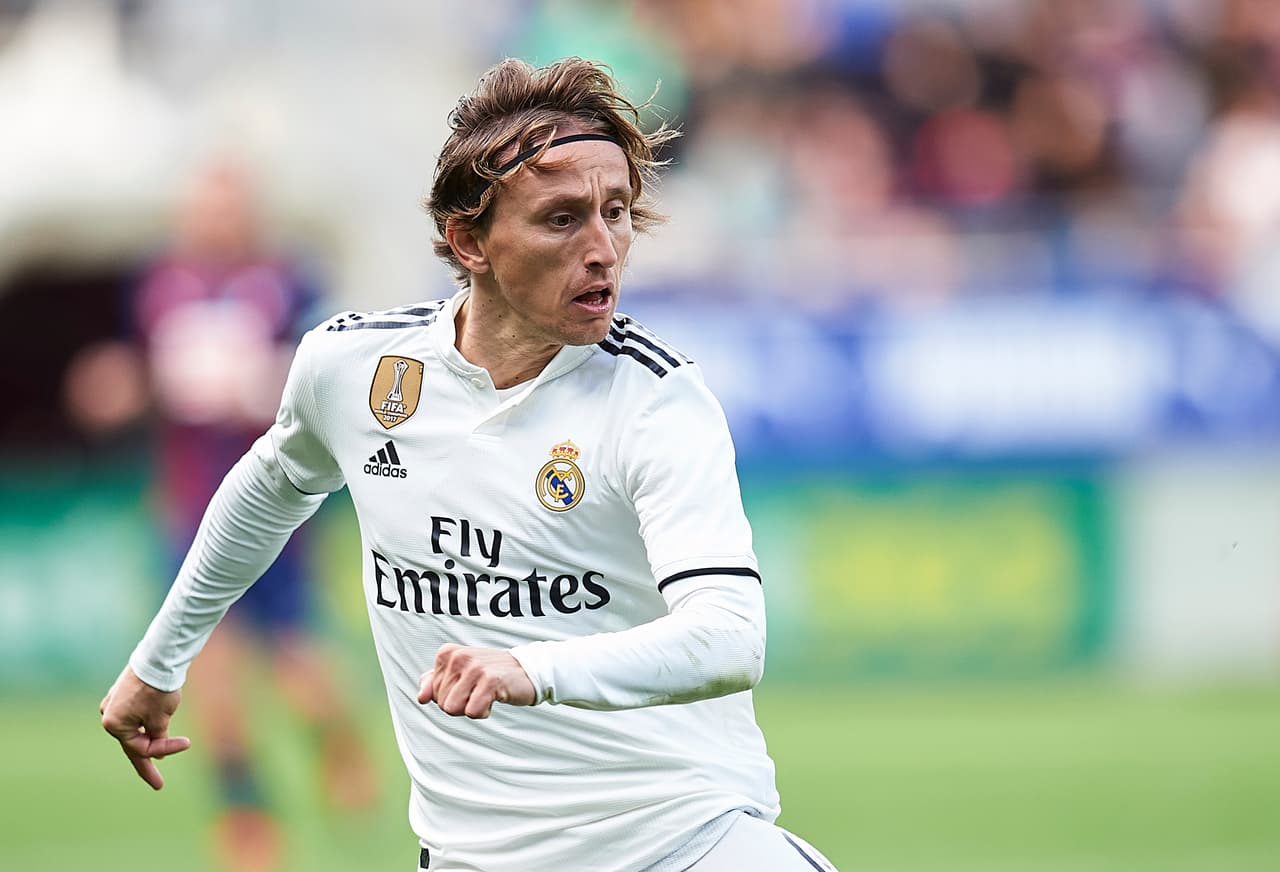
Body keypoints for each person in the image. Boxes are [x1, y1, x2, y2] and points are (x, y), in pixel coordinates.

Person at [99, 58, 836, 872]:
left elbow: (730, 637)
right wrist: (158, 663)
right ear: (469, 241)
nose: (603, 249)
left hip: (685, 845)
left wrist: (532, 669)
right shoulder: (355, 368)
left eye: (617, 212)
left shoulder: (659, 401)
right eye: (562, 220)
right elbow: (267, 487)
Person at [80, 161, 376, 871]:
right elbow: (150, 374)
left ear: (250, 214)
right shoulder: (157, 285)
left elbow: (326, 375)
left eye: (227, 206)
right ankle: (247, 814)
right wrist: (123, 385)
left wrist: (254, 383)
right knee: (209, 667)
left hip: (273, 506)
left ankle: (338, 743)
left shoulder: (289, 282)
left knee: (296, 659)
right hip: (187, 504)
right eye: (203, 206)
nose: (213, 219)